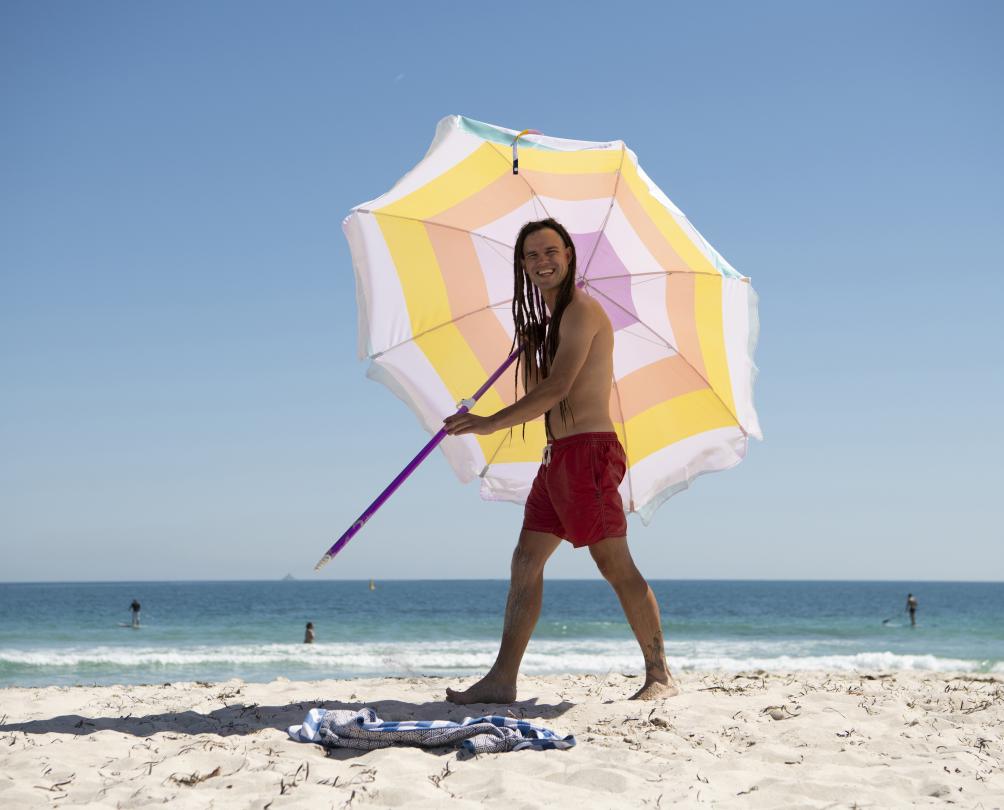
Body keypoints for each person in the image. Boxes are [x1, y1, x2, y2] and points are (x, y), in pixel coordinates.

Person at [443, 218, 679, 703]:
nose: (541, 262)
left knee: (614, 563)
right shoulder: (552, 325)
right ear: (522, 266)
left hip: (589, 453)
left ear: (569, 255)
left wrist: (489, 424)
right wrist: (533, 348)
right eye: (531, 255)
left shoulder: (581, 312)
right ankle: (502, 680)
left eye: (551, 251)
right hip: (557, 458)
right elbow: (542, 390)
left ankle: (660, 676)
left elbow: (559, 389)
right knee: (526, 560)